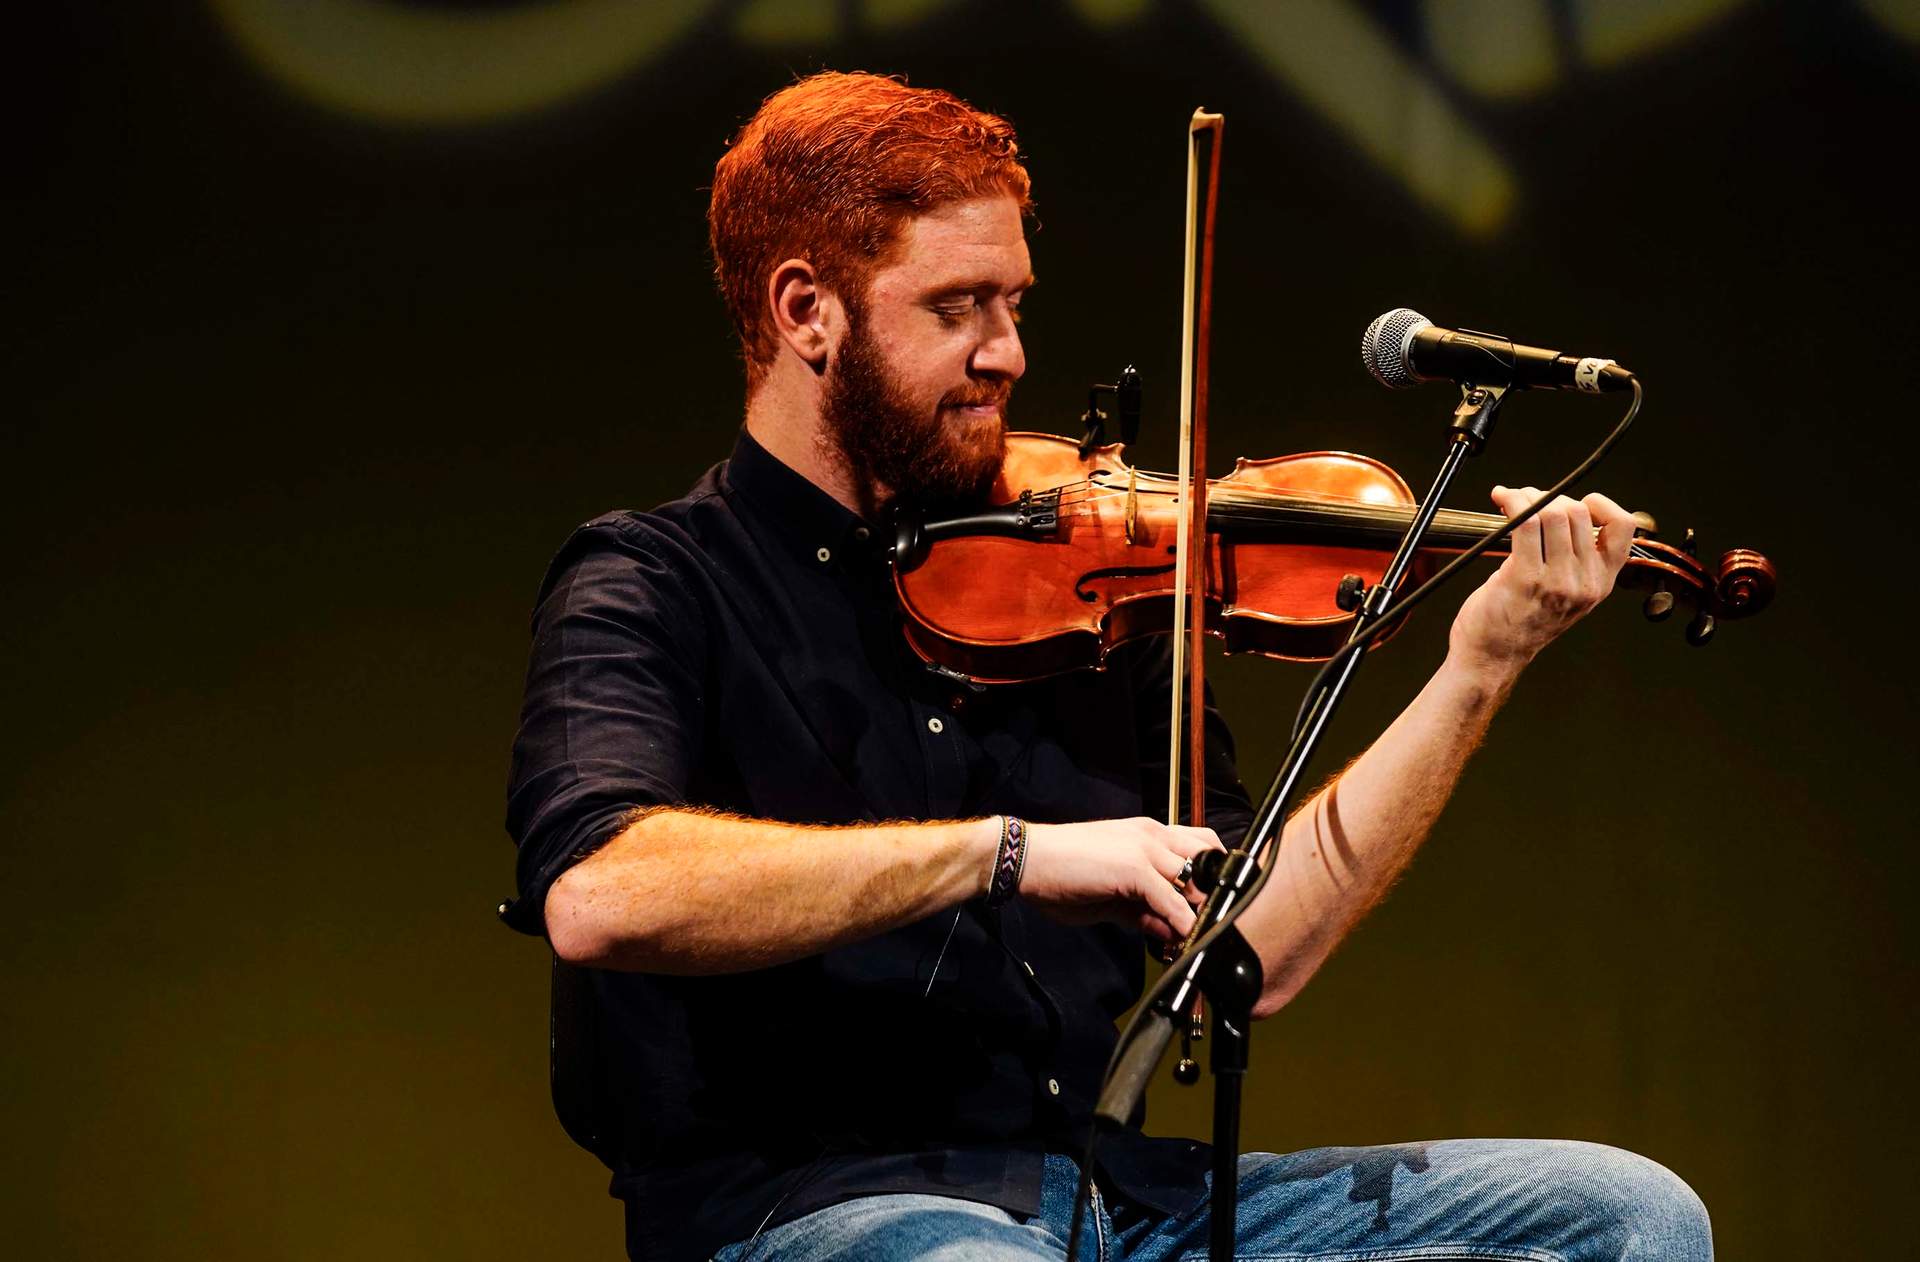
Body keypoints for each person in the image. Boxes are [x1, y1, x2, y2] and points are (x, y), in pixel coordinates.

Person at [503, 71, 1712, 1262]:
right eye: (957, 307)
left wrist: (1479, 661)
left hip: (1112, 1198)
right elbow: (603, 892)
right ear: (805, 310)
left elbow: (1261, 943)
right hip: (813, 1209)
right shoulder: (655, 582)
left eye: (1016, 302)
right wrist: (1008, 851)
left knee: (1629, 1213)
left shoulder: (1093, 576)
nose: (1009, 352)